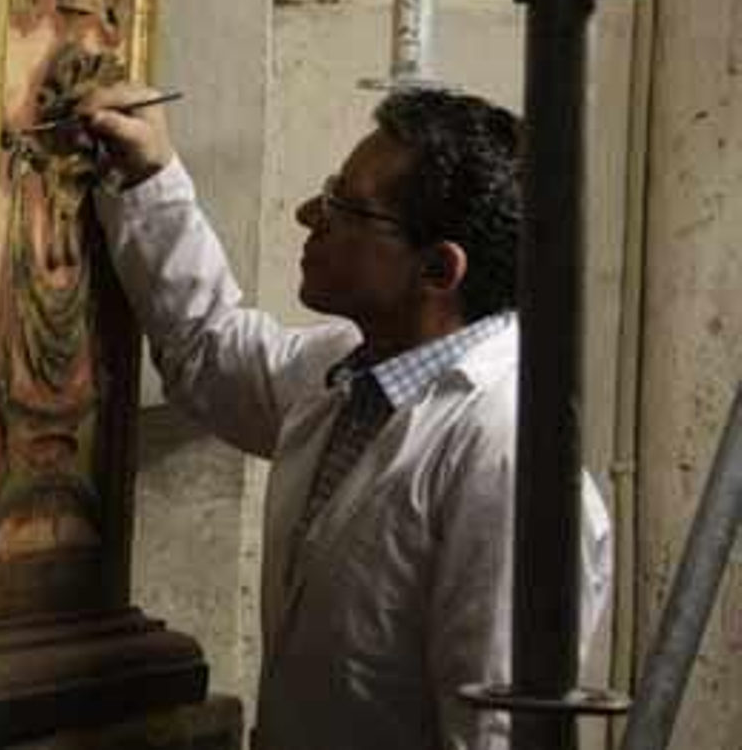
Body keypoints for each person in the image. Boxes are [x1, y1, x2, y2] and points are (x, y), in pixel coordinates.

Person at [79, 82, 612, 750]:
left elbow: (492, 739)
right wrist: (149, 174)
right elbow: (209, 350)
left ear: (439, 270)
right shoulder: (352, 376)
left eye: (346, 208)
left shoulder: (507, 465)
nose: (308, 214)